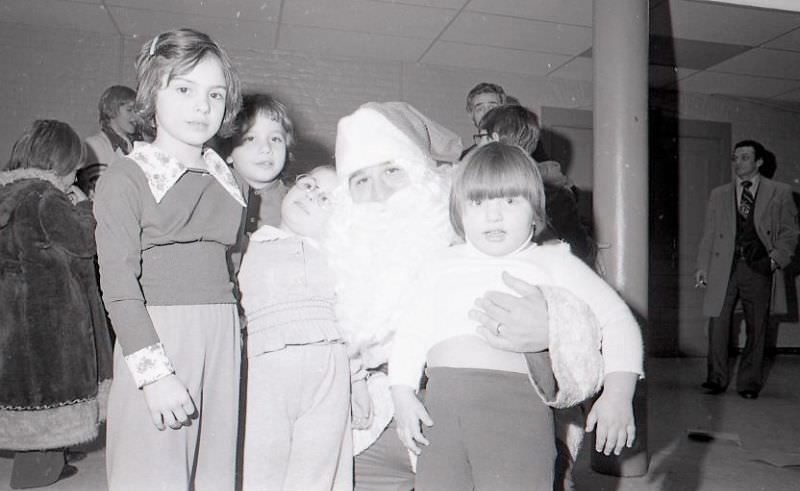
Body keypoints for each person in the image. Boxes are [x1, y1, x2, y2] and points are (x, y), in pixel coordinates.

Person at [388, 143, 643, 490]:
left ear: (536, 211)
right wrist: (401, 393)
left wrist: (617, 393)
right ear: (458, 212)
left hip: (517, 413)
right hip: (441, 414)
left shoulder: (553, 261)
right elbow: (411, 331)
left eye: (510, 201)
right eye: (478, 202)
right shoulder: (439, 264)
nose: (493, 216)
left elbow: (617, 320)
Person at [93, 28, 245, 489]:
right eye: (184, 89)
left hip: (221, 334)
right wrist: (154, 376)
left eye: (214, 94)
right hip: (159, 335)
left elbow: (231, 267)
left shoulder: (227, 178)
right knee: (153, 472)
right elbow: (118, 289)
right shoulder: (126, 176)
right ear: (151, 94)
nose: (202, 106)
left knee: (214, 472)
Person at [0, 119, 113, 489]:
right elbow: (82, 242)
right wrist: (85, 208)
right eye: (72, 170)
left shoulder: (10, 192)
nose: (73, 179)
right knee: (53, 388)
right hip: (51, 312)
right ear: (58, 163)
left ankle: (52, 456)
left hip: (16, 311)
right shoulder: (46, 196)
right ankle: (34, 474)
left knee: (30, 386)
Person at [237, 165, 352, 489]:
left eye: (326, 198)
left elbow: (353, 316)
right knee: (263, 465)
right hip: (267, 370)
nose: (311, 195)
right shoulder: (252, 244)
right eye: (309, 184)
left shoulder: (338, 257)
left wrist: (357, 376)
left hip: (327, 372)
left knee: (316, 468)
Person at [695, 140, 798, 399]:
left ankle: (749, 383)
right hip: (723, 267)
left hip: (759, 268)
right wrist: (702, 266)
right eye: (735, 157)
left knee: (758, 326)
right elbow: (709, 233)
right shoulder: (719, 193)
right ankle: (716, 378)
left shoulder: (780, 192)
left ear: (759, 161)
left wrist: (774, 260)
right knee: (717, 324)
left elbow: (790, 232)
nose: (738, 162)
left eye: (744, 157)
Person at [477, 104, 596, 266]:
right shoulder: (556, 196)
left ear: (495, 139)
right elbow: (580, 251)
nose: (477, 144)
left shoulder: (476, 192)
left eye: (481, 137)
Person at [224, 93, 293, 234]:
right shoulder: (211, 193)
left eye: (275, 139)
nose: (266, 148)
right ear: (228, 152)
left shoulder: (293, 202)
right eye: (251, 138)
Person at [84, 85, 139, 167]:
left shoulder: (136, 145)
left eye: (136, 111)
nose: (136, 116)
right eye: (129, 110)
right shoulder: (95, 145)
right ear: (111, 110)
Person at [460, 82, 507, 159]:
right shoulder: (465, 158)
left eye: (492, 107)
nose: (486, 112)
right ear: (471, 116)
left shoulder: (519, 151)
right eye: (480, 109)